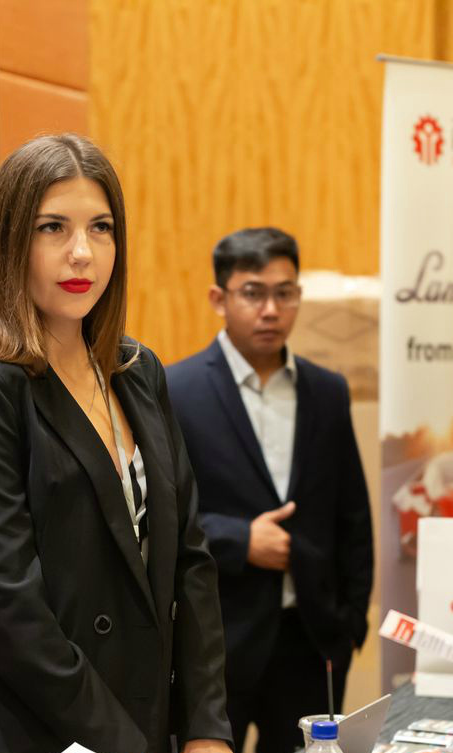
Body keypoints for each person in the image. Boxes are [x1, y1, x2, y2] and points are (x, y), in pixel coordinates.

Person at [0, 134, 232, 753]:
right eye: (53, 228)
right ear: (10, 241)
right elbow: (3, 605)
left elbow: (190, 559)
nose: (82, 253)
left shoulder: (138, 370)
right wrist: (124, 743)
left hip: (138, 719)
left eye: (101, 228)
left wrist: (206, 727)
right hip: (27, 729)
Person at [166, 228, 373, 753]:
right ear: (219, 299)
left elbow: (352, 512)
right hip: (216, 638)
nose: (271, 311)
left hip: (311, 638)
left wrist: (351, 623)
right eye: (253, 293)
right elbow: (160, 514)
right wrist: (239, 540)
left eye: (285, 293)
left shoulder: (327, 390)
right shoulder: (175, 390)